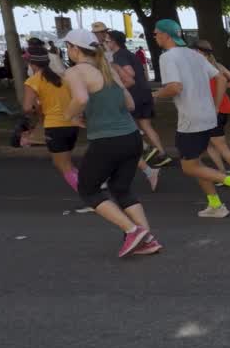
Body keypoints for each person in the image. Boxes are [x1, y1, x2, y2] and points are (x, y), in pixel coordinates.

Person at [61, 29, 160, 257]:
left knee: (87, 188)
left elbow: (81, 99)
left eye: (68, 47)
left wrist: (71, 116)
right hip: (132, 137)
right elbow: (130, 105)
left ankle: (132, 231)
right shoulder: (107, 70)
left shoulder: (75, 72)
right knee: (121, 188)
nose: (68, 51)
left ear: (75, 49)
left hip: (107, 140)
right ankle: (148, 239)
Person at [153, 19, 230, 217]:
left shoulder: (167, 57)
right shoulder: (194, 55)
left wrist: (155, 95)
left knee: (189, 167)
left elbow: (175, 87)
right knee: (197, 164)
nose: (154, 36)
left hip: (191, 120)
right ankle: (216, 205)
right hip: (207, 117)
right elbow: (222, 79)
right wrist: (215, 106)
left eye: (155, 33)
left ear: (165, 35)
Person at [22, 43, 82, 191]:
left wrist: (36, 109)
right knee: (63, 163)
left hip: (55, 127)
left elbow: (27, 108)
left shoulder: (32, 81)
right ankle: (90, 185)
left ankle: (92, 196)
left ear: (31, 63)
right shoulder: (62, 78)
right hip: (72, 125)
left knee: (64, 165)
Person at [106, 30, 168, 167]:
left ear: (114, 42)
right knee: (146, 125)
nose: (106, 43)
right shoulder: (130, 54)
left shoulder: (118, 56)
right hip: (144, 92)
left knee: (126, 123)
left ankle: (146, 148)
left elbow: (130, 73)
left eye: (107, 41)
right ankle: (162, 154)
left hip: (134, 95)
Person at [192, 40, 230, 184]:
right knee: (209, 144)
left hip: (213, 111)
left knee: (221, 147)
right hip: (222, 109)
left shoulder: (200, 68)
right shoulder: (218, 66)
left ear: (199, 52)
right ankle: (222, 173)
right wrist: (220, 90)